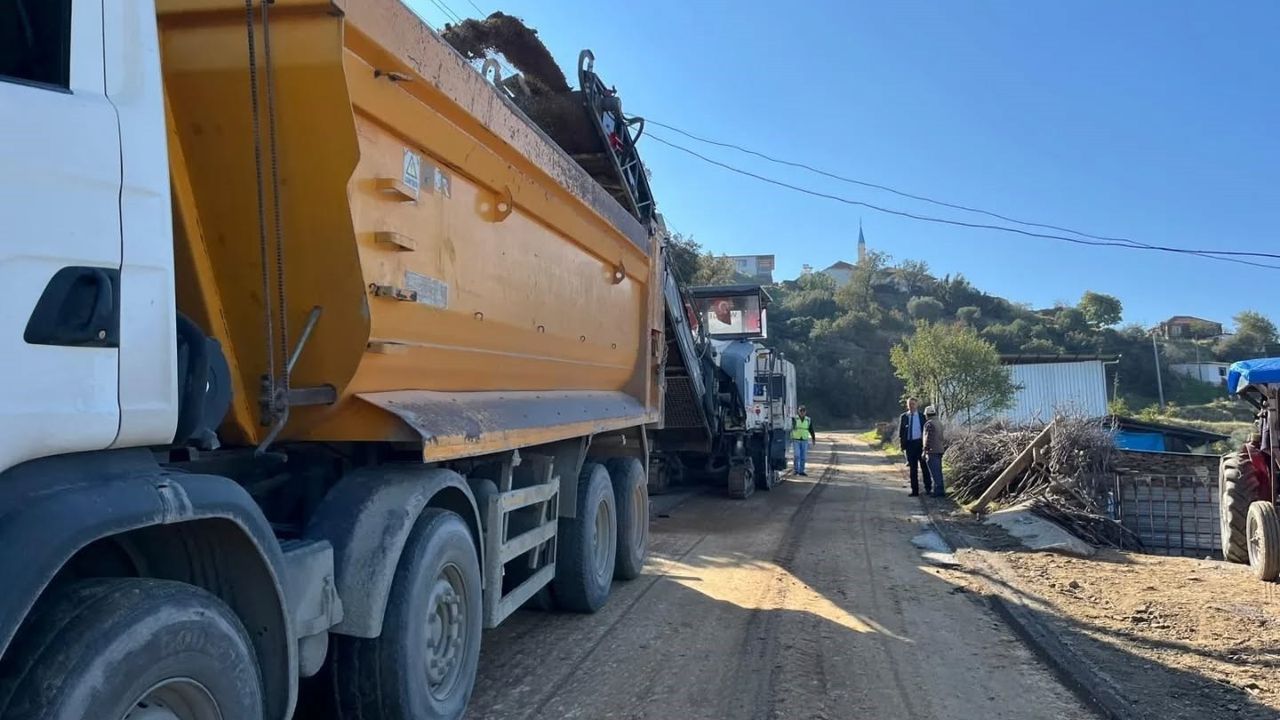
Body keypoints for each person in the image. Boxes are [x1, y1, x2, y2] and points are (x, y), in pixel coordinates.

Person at [898, 397, 931, 496]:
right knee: (913, 469)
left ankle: (928, 488)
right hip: (909, 445)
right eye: (909, 404)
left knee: (924, 467)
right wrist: (902, 446)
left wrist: (926, 445)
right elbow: (901, 432)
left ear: (917, 405)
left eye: (913, 404)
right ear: (907, 405)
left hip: (920, 444)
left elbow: (926, 431)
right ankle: (915, 490)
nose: (911, 406)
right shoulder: (904, 417)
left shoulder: (922, 417)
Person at [923, 405, 945, 497]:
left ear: (927, 415)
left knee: (935, 472)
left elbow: (929, 439)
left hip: (932, 451)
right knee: (938, 471)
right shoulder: (939, 423)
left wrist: (925, 451)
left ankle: (938, 491)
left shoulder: (929, 424)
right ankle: (940, 489)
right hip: (939, 449)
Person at [791, 405, 816, 476]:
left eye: (803, 411)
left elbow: (811, 429)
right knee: (797, 455)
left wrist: (813, 439)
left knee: (803, 457)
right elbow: (790, 428)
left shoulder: (808, 420)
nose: (802, 412)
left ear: (805, 412)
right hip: (796, 439)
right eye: (800, 411)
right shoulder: (794, 419)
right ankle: (796, 470)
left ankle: (801, 471)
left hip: (804, 440)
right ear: (798, 411)